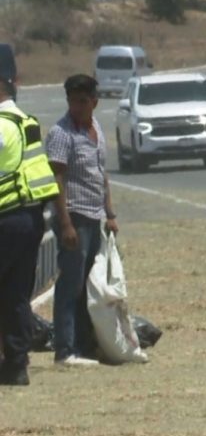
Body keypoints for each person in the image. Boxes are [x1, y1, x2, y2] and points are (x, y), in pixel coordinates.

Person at [45, 74, 118, 367]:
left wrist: (110, 213)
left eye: (83, 101)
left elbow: (102, 175)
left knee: (90, 285)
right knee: (70, 285)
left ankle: (85, 343)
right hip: (73, 215)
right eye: (72, 101)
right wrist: (65, 224)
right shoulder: (61, 134)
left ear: (94, 102)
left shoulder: (96, 128)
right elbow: (57, 181)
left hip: (94, 215)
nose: (77, 106)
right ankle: (65, 349)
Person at [0, 77, 60, 385]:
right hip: (30, 217)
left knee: (13, 295)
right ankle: (16, 365)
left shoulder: (2, 125)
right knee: (16, 294)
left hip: (7, 216)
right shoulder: (26, 121)